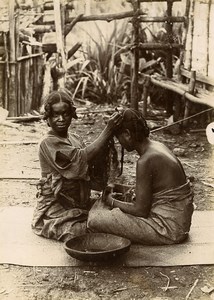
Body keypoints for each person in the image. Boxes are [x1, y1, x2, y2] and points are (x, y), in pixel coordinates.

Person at [87, 108, 194, 245]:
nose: (120, 143)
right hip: (179, 221)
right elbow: (156, 189)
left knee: (95, 220)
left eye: (118, 138)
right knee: (112, 205)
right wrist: (120, 188)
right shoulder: (158, 146)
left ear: (127, 134)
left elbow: (141, 211)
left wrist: (111, 201)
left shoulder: (145, 161)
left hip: (168, 228)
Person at [31, 89, 122, 242]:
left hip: (78, 203)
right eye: (55, 115)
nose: (61, 119)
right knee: (80, 233)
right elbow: (79, 161)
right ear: (48, 118)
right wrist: (108, 130)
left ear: (72, 114)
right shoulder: (48, 142)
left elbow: (90, 166)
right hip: (56, 207)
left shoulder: (75, 138)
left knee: (113, 215)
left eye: (65, 114)